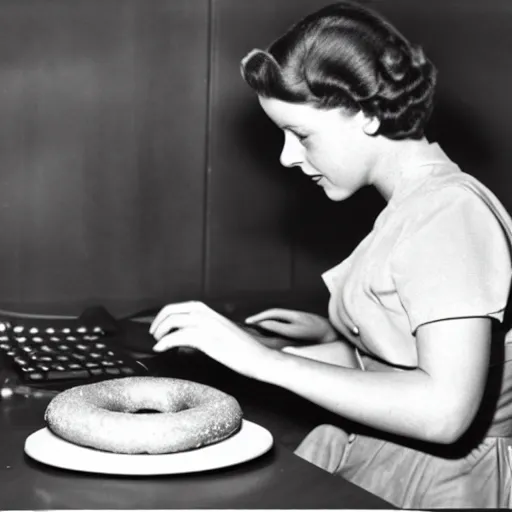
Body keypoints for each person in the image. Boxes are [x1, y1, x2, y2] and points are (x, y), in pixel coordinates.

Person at [149, 1, 512, 508]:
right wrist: (312, 341)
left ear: (365, 114)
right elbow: (399, 364)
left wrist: (264, 363)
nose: (287, 156)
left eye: (300, 134)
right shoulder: (417, 205)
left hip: (440, 484)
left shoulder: (449, 212)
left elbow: (444, 412)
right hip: (393, 458)